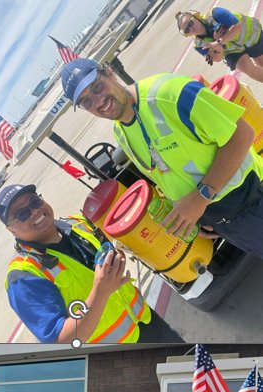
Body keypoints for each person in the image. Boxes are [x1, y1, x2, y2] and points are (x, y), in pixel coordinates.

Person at [61, 57, 263, 261]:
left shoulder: (171, 94)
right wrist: (193, 217)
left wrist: (200, 199)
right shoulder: (121, 132)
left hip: (253, 199)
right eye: (86, 101)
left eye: (97, 87)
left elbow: (242, 134)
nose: (98, 102)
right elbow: (168, 175)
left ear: (110, 73)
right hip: (225, 222)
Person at [0, 184, 182, 344]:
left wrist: (116, 261)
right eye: (22, 214)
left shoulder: (77, 223)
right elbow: (61, 340)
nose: (34, 211)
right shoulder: (24, 276)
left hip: (147, 320)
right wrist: (100, 292)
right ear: (10, 229)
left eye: (34, 202)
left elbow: (107, 250)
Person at [177, 8, 263, 82]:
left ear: (196, 17)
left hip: (250, 34)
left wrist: (219, 42)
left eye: (190, 23)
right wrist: (219, 49)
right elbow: (217, 58)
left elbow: (238, 27)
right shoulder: (198, 44)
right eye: (187, 30)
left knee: (261, 61)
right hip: (233, 50)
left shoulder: (215, 14)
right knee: (247, 68)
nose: (191, 28)